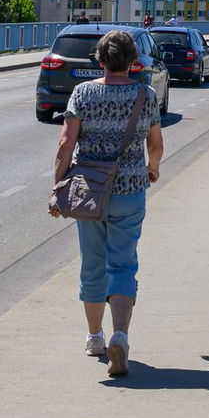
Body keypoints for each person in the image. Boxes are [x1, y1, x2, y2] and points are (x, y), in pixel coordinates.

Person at [51, 29, 163, 377]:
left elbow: (66, 144)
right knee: (123, 265)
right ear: (133, 61)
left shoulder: (83, 93)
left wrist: (58, 188)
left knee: (92, 264)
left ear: (100, 60)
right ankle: (120, 335)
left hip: (89, 192)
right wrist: (153, 168)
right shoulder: (145, 95)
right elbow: (155, 145)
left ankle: (95, 337)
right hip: (130, 191)